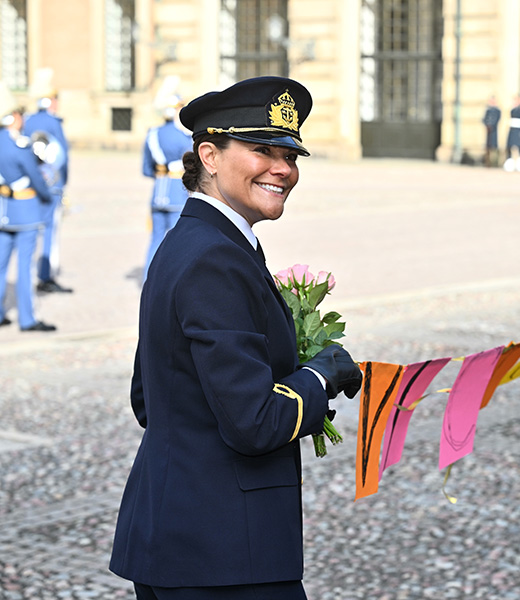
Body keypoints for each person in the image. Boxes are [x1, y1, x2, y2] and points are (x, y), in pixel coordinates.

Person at [109, 76, 363, 600]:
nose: (283, 169)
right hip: (222, 557)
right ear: (210, 155)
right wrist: (320, 374)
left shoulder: (191, 241)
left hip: (181, 542)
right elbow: (255, 423)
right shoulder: (215, 258)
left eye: (291, 155)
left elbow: (147, 397)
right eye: (261, 150)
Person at [0, 86, 57, 332]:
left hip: (3, 210)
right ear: (12, 117)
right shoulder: (20, 146)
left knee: (0, 265)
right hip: (25, 210)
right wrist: (46, 196)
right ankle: (27, 318)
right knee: (25, 267)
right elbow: (37, 179)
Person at [23, 69, 72, 294]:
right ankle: (46, 275)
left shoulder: (27, 120)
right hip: (52, 184)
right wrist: (64, 182)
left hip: (31, 185)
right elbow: (61, 156)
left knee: (32, 230)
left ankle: (30, 273)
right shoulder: (53, 122)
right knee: (50, 231)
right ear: (49, 100)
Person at [141, 94, 193, 281]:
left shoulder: (152, 135)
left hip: (158, 192)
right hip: (177, 193)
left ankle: (149, 278)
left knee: (155, 239)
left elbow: (147, 169)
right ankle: (170, 281)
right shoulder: (184, 137)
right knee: (176, 243)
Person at [503, 93, 520, 172]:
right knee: (509, 146)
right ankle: (509, 162)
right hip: (512, 130)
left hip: (518, 131)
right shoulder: (512, 110)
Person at [481, 95, 501, 168]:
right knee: (488, 147)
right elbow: (484, 119)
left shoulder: (497, 110)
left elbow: (497, 119)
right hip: (488, 131)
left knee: (494, 147)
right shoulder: (488, 110)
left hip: (494, 131)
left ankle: (495, 163)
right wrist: (487, 125)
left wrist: (491, 125)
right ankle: (488, 162)